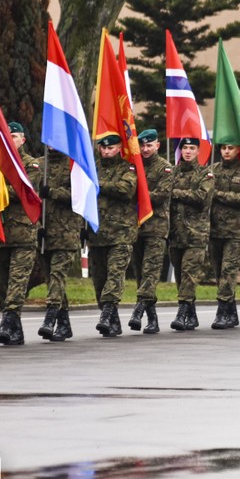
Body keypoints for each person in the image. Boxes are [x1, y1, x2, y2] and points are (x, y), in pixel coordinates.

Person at [0, 121, 42, 345]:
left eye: (14, 136)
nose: (10, 140)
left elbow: (24, 190)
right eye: (7, 136)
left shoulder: (31, 165)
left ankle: (8, 321)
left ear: (22, 140)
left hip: (23, 234)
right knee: (2, 285)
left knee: (17, 282)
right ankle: (15, 329)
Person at [88, 133, 138, 337]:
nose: (106, 151)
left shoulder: (128, 168)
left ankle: (107, 314)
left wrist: (97, 185)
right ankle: (113, 321)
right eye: (103, 148)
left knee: (115, 275)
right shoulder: (92, 168)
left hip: (121, 234)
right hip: (97, 234)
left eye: (110, 148)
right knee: (99, 280)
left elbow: (126, 189)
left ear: (119, 148)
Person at [36, 145, 84, 342]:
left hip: (66, 232)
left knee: (57, 275)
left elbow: (80, 195)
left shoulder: (74, 165)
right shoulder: (38, 165)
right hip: (44, 231)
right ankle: (64, 325)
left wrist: (53, 192)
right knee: (52, 279)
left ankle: (50, 317)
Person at [128, 129, 173, 334]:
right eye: (142, 146)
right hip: (136, 227)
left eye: (149, 145)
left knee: (151, 272)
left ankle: (138, 309)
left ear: (157, 146)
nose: (145, 149)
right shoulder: (133, 166)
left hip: (156, 228)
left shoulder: (165, 169)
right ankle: (152, 318)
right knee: (140, 274)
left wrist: (136, 193)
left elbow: (161, 195)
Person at [209, 143, 240, 329]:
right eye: (223, 148)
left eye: (230, 148)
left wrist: (218, 194)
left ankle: (222, 311)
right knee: (219, 273)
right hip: (214, 230)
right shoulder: (212, 170)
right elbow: (205, 194)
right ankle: (232, 312)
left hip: (236, 231)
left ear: (238, 150)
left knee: (228, 271)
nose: (226, 151)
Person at [168, 138, 214, 331]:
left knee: (189, 274)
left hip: (195, 234)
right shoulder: (173, 173)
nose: (187, 151)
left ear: (198, 151)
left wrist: (175, 192)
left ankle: (182, 311)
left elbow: (201, 197)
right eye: (184, 148)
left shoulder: (206, 174)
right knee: (180, 275)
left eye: (191, 148)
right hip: (175, 234)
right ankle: (191, 314)